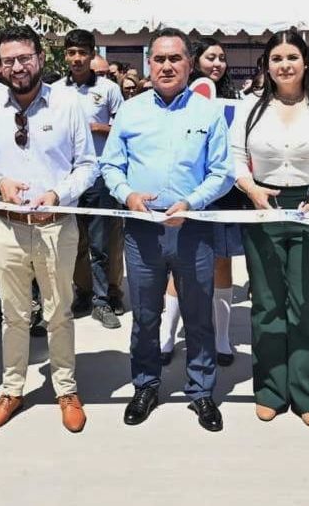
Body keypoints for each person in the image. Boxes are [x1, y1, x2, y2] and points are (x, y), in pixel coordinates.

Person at [100, 27, 233, 432]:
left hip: (192, 229)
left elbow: (223, 172)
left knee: (198, 316)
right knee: (144, 316)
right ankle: (144, 386)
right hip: (142, 232)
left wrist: (192, 203)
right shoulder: (131, 110)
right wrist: (128, 197)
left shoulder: (208, 112)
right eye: (159, 59)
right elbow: (110, 166)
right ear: (148, 64)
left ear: (189, 65)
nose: (167, 65)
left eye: (175, 58)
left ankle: (202, 391)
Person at [0, 26, 96, 434]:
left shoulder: (68, 104)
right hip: (7, 227)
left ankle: (66, 389)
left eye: (24, 58)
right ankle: (12, 389)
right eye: (8, 61)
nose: (17, 67)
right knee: (14, 314)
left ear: (40, 58)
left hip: (56, 226)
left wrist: (59, 194)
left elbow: (88, 165)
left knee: (59, 312)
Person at [232, 31, 309, 426]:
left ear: (304, 62)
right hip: (263, 208)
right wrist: (250, 189)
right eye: (277, 58)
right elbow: (234, 159)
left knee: (307, 305)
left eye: (292, 57)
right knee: (267, 305)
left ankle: (306, 390)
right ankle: (270, 389)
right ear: (266, 64)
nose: (285, 65)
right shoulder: (249, 107)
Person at [160, 37, 241, 366]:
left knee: (222, 262)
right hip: (185, 194)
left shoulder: (238, 101)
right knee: (179, 265)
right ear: (195, 62)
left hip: (225, 193)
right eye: (211, 57)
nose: (217, 64)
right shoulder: (177, 100)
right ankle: (167, 335)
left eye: (222, 58)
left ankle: (221, 337)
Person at [55, 29, 126, 328]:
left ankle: (103, 300)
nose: (76, 58)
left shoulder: (109, 89)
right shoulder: (56, 90)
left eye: (82, 52)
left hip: (98, 175)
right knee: (73, 241)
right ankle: (82, 292)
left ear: (92, 55)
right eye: (71, 52)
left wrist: (99, 129)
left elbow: (124, 129)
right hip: (67, 177)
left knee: (101, 242)